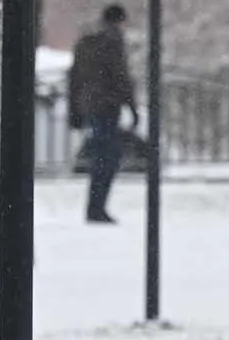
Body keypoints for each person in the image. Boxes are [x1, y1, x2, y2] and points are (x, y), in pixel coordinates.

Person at [68, 4, 139, 224]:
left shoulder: (86, 43)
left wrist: (75, 110)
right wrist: (132, 106)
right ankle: (97, 208)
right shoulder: (112, 41)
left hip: (89, 105)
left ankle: (94, 207)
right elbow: (120, 76)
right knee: (108, 157)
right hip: (108, 105)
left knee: (101, 156)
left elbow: (75, 77)